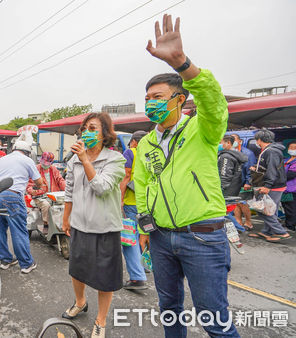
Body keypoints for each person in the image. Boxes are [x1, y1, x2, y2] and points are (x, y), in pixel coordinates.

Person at [133, 15, 239, 337]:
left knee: (213, 319)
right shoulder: (148, 142)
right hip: (162, 238)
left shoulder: (202, 129)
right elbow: (143, 183)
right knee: (169, 309)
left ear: (180, 99)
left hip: (203, 237)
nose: (151, 103)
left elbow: (214, 102)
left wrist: (182, 64)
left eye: (158, 97)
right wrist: (145, 223)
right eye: (148, 98)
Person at [60, 113, 125, 337]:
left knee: (104, 277)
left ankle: (101, 320)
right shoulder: (73, 160)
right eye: (85, 128)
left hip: (105, 228)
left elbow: (102, 187)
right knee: (76, 270)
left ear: (105, 134)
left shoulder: (115, 159)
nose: (87, 132)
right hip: (79, 224)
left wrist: (86, 160)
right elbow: (69, 190)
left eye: (93, 128)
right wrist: (66, 217)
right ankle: (80, 302)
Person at [0, 134, 44, 274]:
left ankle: (6, 260)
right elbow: (39, 182)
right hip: (12, 194)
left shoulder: (1, 159)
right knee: (18, 229)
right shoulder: (27, 160)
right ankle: (26, 263)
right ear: (27, 152)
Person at [247, 130, 290, 242]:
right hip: (273, 184)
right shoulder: (268, 150)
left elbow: (272, 169)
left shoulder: (271, 151)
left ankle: (281, 232)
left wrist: (267, 185)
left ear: (260, 140)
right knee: (271, 209)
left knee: (265, 210)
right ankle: (267, 232)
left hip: (273, 186)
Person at [119, 130, 148, 291]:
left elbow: (126, 176)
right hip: (148, 203)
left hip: (132, 202)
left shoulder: (131, 153)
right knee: (145, 235)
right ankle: (145, 265)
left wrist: (120, 199)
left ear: (135, 142)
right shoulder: (152, 152)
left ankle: (137, 277)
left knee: (129, 238)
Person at [26, 152, 65, 233]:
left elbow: (60, 180)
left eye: (48, 163)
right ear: (41, 160)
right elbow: (29, 186)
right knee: (46, 205)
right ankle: (46, 223)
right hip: (39, 197)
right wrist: (35, 191)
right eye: (44, 162)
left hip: (53, 195)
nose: (46, 164)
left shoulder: (53, 169)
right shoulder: (36, 169)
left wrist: (67, 190)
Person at [231, 133, 257, 229]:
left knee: (243, 203)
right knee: (235, 203)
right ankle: (238, 222)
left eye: (234, 140)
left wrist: (248, 182)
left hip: (244, 182)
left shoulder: (247, 153)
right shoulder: (231, 152)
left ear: (240, 141)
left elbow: (250, 169)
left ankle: (248, 222)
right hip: (234, 182)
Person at [283, 140, 296, 231]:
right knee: (286, 207)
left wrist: (278, 178)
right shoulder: (286, 160)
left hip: (292, 189)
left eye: (294, 148)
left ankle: (290, 225)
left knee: (291, 208)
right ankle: (289, 223)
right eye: (290, 148)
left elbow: (291, 175)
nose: (292, 149)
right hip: (285, 188)